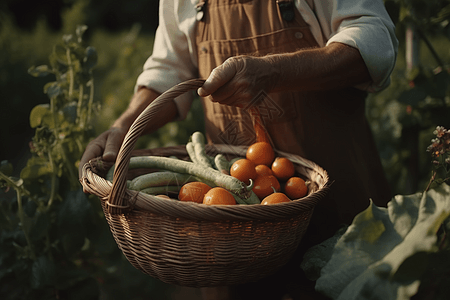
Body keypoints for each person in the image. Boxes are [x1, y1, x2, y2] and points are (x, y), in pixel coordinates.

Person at [79, 0, 398, 299]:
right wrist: (123, 125)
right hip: (231, 237)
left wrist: (275, 71)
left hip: (336, 205)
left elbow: (374, 41)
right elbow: (169, 69)